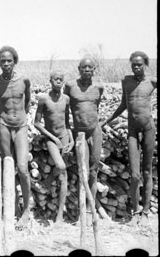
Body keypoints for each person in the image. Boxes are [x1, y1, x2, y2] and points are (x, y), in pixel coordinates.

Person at [101, 51, 157, 225]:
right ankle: (135, 211)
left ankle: (146, 212)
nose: (136, 67)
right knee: (134, 174)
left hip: (148, 129)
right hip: (133, 130)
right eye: (133, 65)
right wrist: (107, 121)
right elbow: (123, 105)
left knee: (147, 172)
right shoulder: (127, 81)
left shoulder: (152, 82)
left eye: (139, 64)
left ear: (145, 65)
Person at [0, 46, 32, 226]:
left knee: (22, 168)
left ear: (15, 61)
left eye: (9, 60)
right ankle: (12, 208)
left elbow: (27, 101)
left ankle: (27, 210)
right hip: (4, 125)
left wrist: (21, 116)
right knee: (7, 166)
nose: (6, 64)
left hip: (20, 125)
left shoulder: (24, 80)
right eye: (3, 61)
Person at [64, 56, 104, 223]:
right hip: (79, 132)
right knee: (83, 171)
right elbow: (65, 111)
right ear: (79, 69)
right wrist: (68, 134)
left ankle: (90, 210)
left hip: (95, 131)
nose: (87, 70)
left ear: (94, 70)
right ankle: (82, 210)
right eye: (84, 67)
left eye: (90, 68)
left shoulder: (99, 87)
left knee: (94, 170)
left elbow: (96, 107)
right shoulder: (71, 87)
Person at [34, 70, 74, 224]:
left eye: (61, 79)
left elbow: (67, 123)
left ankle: (59, 215)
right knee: (60, 165)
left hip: (64, 136)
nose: (58, 82)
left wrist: (70, 140)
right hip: (51, 138)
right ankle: (49, 179)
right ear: (50, 81)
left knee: (63, 176)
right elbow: (36, 123)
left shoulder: (66, 99)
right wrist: (52, 138)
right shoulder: (43, 99)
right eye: (56, 79)